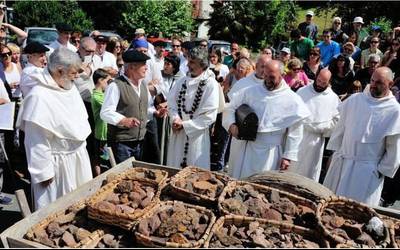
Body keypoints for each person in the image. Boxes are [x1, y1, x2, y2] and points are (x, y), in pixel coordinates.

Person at [17, 48, 93, 210]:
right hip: (56, 165)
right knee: (55, 211)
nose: (77, 76)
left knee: (81, 206)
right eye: (74, 72)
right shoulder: (39, 97)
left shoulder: (69, 86)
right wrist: (43, 172)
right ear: (60, 71)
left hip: (78, 158)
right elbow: (35, 140)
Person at [323, 67, 400, 206]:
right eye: (372, 80)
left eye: (379, 83)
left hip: (367, 171)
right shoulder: (354, 100)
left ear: (391, 84)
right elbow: (340, 129)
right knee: (331, 206)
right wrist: (334, 154)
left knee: (357, 211)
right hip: (342, 162)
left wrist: (379, 172)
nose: (373, 85)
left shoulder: (395, 111)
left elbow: (393, 147)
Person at [223, 60, 310, 179]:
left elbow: (295, 132)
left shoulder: (292, 100)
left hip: (270, 153)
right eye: (266, 76)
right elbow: (231, 108)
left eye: (272, 77)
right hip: (247, 148)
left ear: (282, 75)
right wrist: (231, 125)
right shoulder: (250, 91)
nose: (268, 80)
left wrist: (288, 156)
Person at [166, 47, 219, 169]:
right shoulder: (182, 81)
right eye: (188, 61)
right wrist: (175, 119)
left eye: (192, 62)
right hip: (178, 135)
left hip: (197, 137)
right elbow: (171, 104)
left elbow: (209, 115)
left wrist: (185, 125)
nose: (188, 65)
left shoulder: (211, 85)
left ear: (202, 64)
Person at [100, 50, 155, 163]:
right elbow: (105, 112)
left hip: (140, 141)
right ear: (131, 67)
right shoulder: (115, 86)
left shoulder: (143, 85)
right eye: (143, 65)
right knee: (121, 177)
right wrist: (123, 120)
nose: (146, 68)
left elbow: (147, 108)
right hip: (121, 143)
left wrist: (156, 112)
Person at [290, 69, 340, 182]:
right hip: (298, 135)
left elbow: (337, 120)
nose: (320, 84)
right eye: (319, 80)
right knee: (292, 169)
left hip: (315, 141)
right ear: (316, 77)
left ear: (329, 82)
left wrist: (322, 128)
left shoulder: (333, 98)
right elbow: (293, 110)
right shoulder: (302, 91)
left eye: (324, 82)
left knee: (309, 172)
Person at [91, 69, 112, 176]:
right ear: (100, 80)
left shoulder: (103, 94)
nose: (108, 84)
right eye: (107, 81)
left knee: (105, 158)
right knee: (100, 159)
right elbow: (110, 106)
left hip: (106, 132)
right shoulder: (96, 96)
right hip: (101, 133)